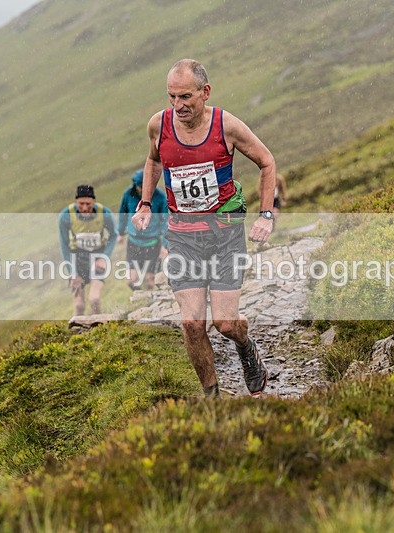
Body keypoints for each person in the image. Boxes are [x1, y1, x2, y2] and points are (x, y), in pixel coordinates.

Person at [132, 59, 277, 398]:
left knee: (225, 324)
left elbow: (267, 161)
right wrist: (145, 203)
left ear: (205, 92)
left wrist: (265, 215)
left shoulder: (227, 126)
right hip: (183, 236)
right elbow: (153, 160)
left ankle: (245, 346)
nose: (177, 106)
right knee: (192, 324)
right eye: (171, 97)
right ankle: (212, 400)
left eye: (185, 97)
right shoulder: (159, 125)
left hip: (225, 235)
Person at [58, 184, 117, 315]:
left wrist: (104, 258)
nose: (85, 208)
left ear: (94, 202)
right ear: (75, 202)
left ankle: (99, 328)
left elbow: (113, 235)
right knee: (79, 306)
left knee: (94, 299)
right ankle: (77, 332)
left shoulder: (104, 213)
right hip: (77, 259)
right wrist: (73, 273)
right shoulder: (66, 216)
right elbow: (64, 245)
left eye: (88, 204)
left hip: (98, 258)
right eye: (81, 204)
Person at [117, 169, 169, 290]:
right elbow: (122, 214)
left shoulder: (160, 197)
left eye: (147, 186)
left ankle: (152, 304)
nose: (143, 189)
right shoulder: (128, 195)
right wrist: (120, 232)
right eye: (141, 186)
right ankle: (139, 296)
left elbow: (165, 222)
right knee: (131, 280)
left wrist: (164, 245)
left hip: (153, 244)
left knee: (151, 281)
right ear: (136, 185)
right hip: (134, 244)